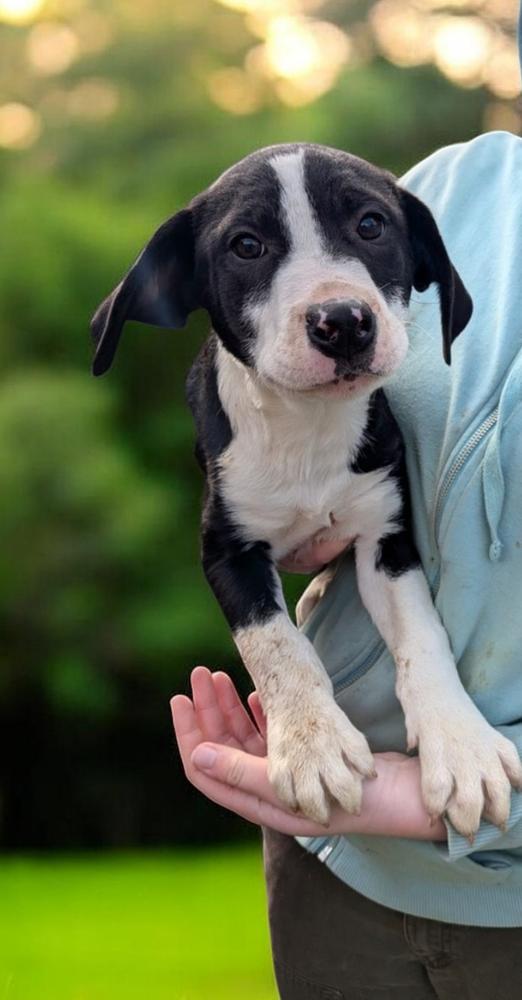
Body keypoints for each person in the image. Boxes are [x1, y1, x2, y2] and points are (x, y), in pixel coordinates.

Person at [171, 16, 522, 996]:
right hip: (331, 857)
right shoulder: (450, 186)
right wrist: (298, 702)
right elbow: (357, 514)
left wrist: (432, 794)